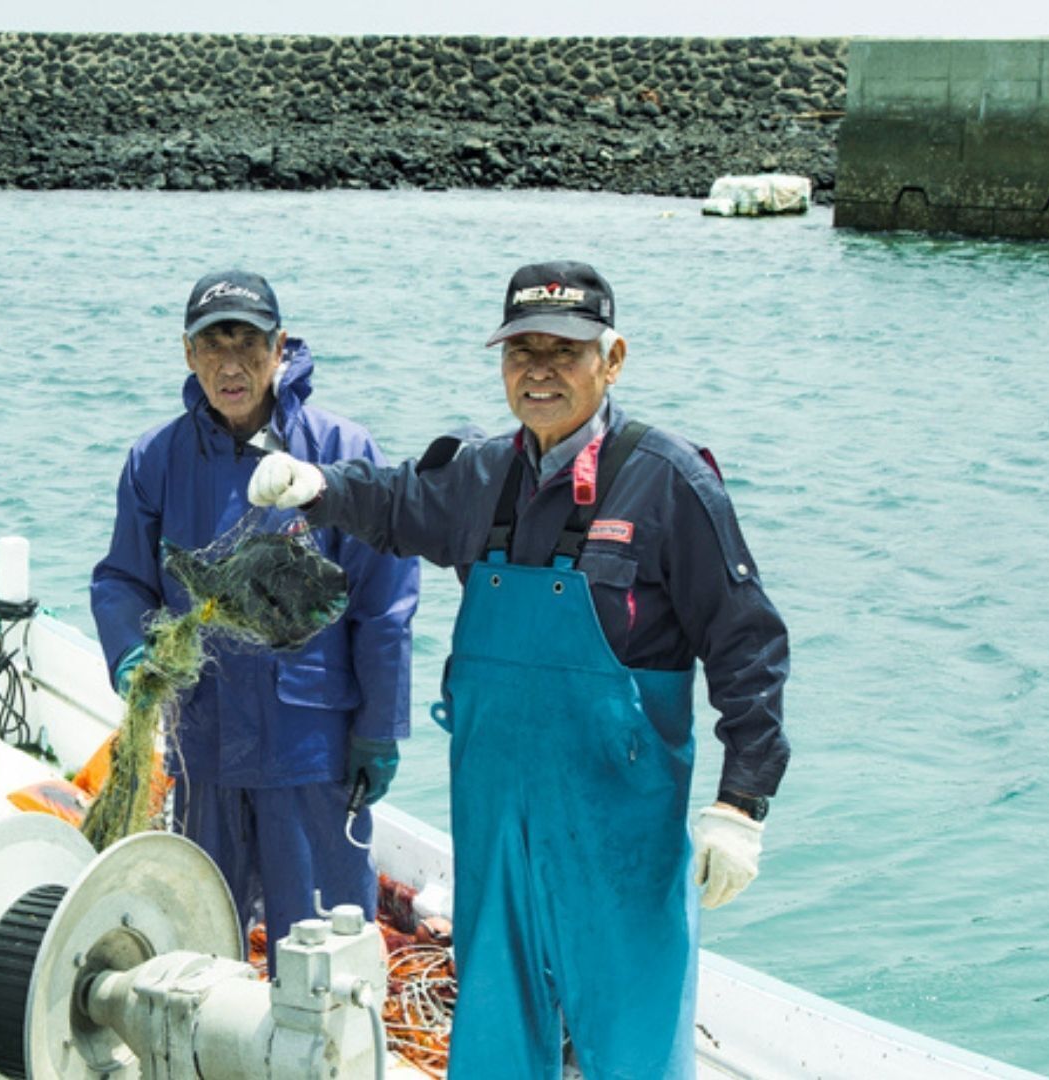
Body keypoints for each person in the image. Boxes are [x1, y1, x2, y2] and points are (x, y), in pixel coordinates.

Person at [247, 260, 789, 1079]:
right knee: (496, 1042)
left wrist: (741, 804)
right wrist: (318, 485)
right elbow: (396, 504)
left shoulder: (669, 481)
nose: (540, 370)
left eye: (565, 351)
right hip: (495, 825)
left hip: (620, 843)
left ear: (613, 359)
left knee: (634, 1046)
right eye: (521, 350)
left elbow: (748, 644)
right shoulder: (480, 474)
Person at [90, 270, 420, 955]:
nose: (230, 364)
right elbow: (122, 578)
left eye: (248, 342)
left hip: (312, 752)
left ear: (280, 347)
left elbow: (384, 606)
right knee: (201, 946)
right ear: (188, 353)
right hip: (203, 745)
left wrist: (378, 731)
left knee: (324, 955)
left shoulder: (342, 452)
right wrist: (130, 653)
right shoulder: (156, 459)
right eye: (213, 344)